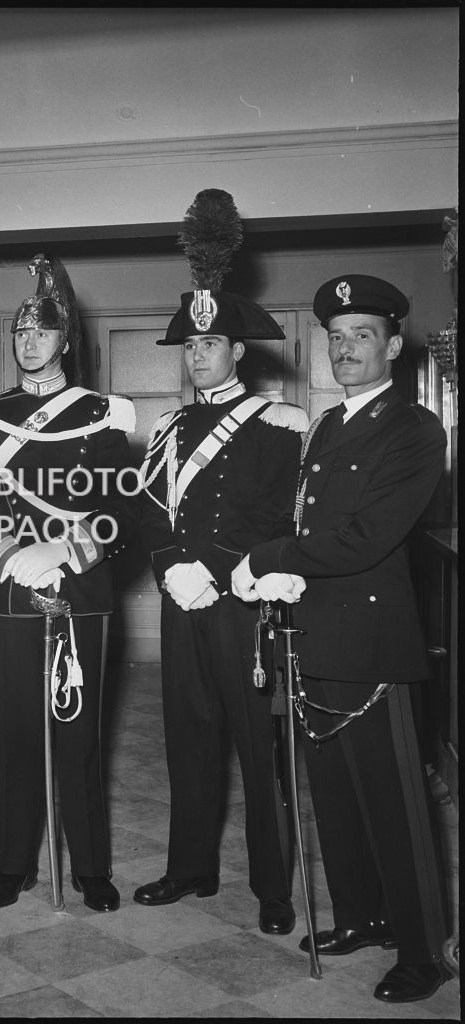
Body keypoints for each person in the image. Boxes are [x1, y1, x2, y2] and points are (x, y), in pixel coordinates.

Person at [232, 274, 451, 1004]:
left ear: (393, 345)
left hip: (371, 640)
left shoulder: (414, 429)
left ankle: (423, 949)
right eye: (336, 336)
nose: (346, 348)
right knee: (335, 794)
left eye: (362, 335)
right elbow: (305, 520)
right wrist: (273, 565)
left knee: (395, 802)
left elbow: (365, 538)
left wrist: (269, 558)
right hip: (312, 632)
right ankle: (361, 916)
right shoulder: (327, 424)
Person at [133, 189, 307, 935]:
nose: (199, 354)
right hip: (182, 601)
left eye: (211, 344)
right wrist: (172, 566)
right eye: (191, 345)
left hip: (241, 602)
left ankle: (272, 887)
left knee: (257, 749)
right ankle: (190, 867)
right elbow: (149, 508)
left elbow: (276, 514)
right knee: (188, 739)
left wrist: (211, 565)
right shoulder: (167, 428)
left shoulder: (278, 423)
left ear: (238, 351)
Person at [0, 254, 138, 913]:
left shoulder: (103, 414)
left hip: (79, 591)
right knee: (18, 735)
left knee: (79, 735)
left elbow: (121, 506)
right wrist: (9, 555)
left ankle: (90, 866)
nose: (30, 342)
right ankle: (13, 865)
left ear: (66, 340)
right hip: (8, 592)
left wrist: (65, 550)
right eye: (22, 332)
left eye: (44, 332)